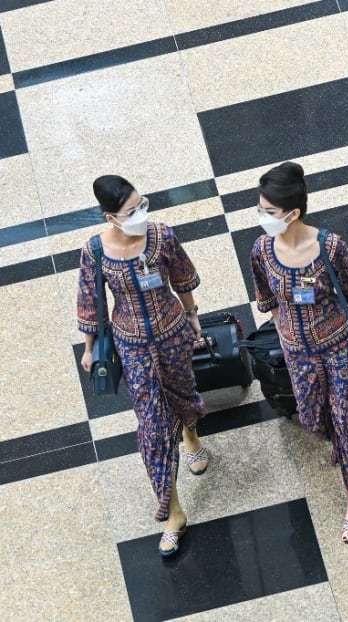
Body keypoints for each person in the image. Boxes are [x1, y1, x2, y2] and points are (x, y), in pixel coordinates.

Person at [77, 175, 208, 558]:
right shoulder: (96, 250)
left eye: (141, 205)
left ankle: (192, 436)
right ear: (111, 217)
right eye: (130, 211)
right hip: (131, 344)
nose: (140, 215)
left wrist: (193, 315)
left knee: (183, 393)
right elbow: (89, 299)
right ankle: (173, 511)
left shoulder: (162, 236)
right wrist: (89, 348)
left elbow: (183, 278)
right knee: (151, 426)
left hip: (172, 332)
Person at [249, 162, 348, 544]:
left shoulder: (329, 246)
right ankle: (339, 441)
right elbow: (266, 295)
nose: (262, 218)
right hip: (297, 352)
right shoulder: (261, 250)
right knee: (312, 414)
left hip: (338, 346)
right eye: (260, 209)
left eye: (269, 212)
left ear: (293, 213)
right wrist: (286, 325)